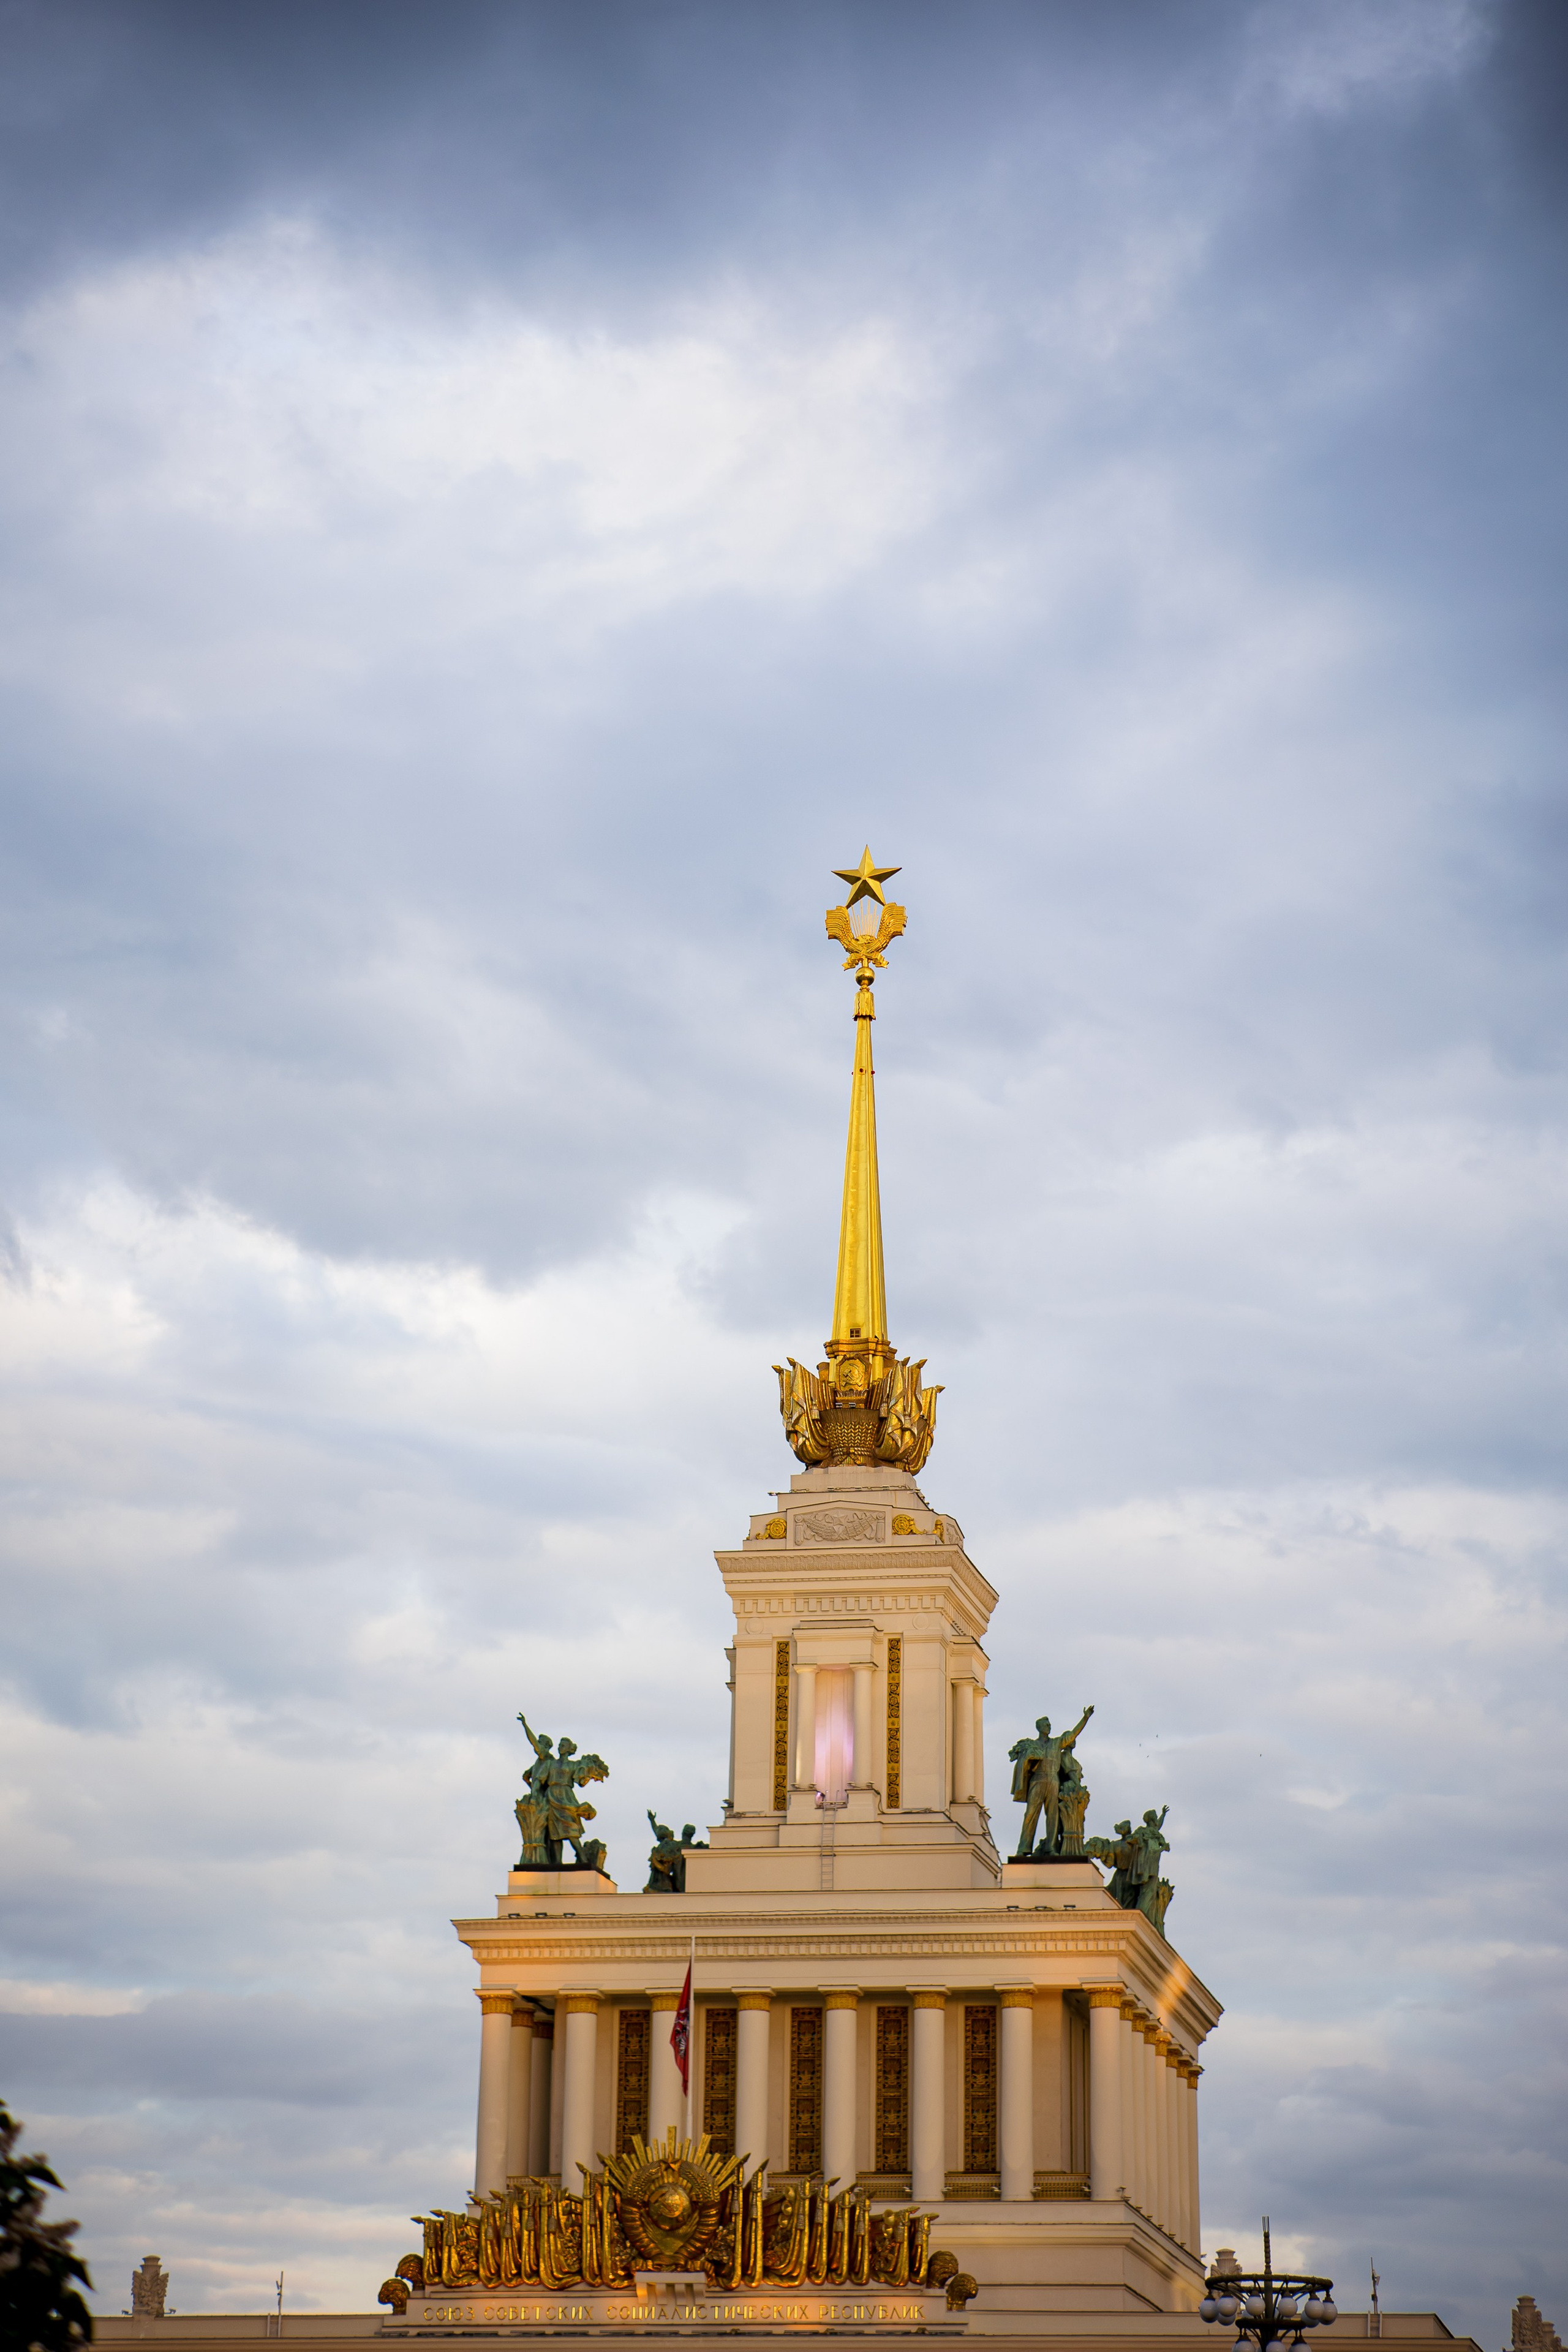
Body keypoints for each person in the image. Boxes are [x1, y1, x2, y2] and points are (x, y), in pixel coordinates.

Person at [1009, 1704, 1094, 1856]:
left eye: (1049, 1725)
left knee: (1053, 1816)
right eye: (1046, 1725)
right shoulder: (1033, 1745)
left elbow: (1073, 1734)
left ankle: (1051, 1848)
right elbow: (1021, 1761)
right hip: (1037, 1780)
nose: (1049, 1727)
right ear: (1039, 1728)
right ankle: (1023, 1849)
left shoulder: (1056, 1743)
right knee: (1030, 1814)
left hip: (1053, 1781)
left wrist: (1085, 1718)